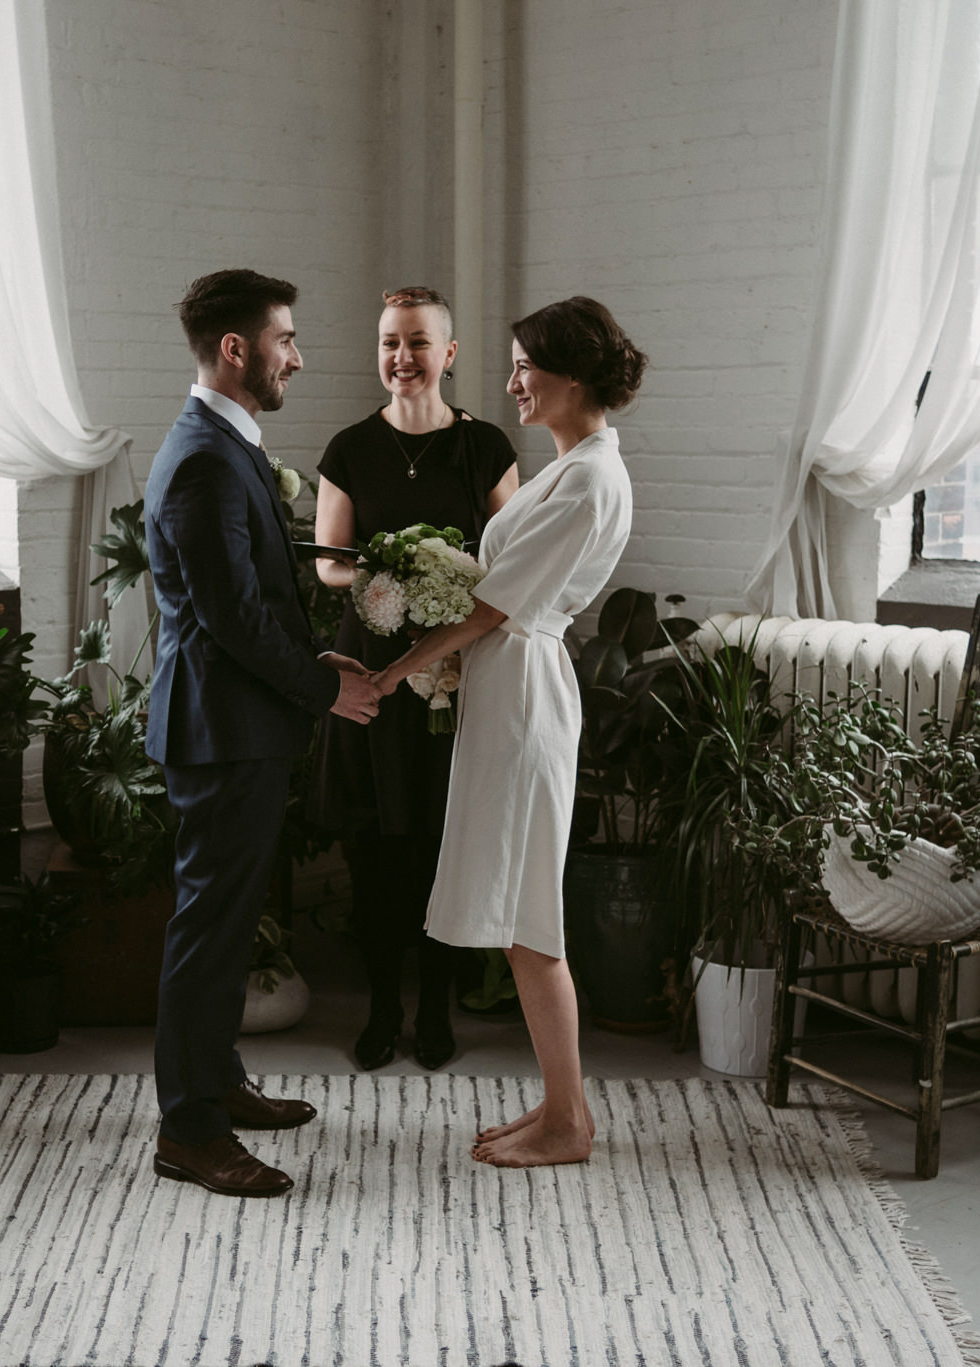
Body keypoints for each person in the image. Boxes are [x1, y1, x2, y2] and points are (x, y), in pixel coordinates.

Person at [370, 296, 645, 1169]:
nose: (512, 381)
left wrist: (389, 672)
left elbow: (493, 606)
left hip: (526, 689)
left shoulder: (593, 477)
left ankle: (568, 1121)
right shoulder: (576, 466)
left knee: (533, 918)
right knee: (526, 917)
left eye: (526, 365)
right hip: (511, 685)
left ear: (572, 376)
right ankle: (562, 1107)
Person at [143, 268, 382, 1199]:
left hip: (240, 726)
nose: (298, 355)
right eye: (285, 338)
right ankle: (188, 1130)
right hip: (220, 732)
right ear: (237, 349)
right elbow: (235, 619)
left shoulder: (222, 441)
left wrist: (316, 678)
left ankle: (217, 1080)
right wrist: (325, 689)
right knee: (207, 931)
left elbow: (248, 606)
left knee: (229, 921)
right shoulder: (204, 455)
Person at [309, 286, 520, 1072]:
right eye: (390, 343)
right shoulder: (348, 449)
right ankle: (381, 1009)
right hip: (371, 671)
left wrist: (452, 577)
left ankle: (435, 1010)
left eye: (418, 343)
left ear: (449, 354)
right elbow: (330, 563)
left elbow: (512, 560)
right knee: (375, 852)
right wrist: (385, 572)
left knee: (443, 847)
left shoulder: (487, 447)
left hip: (457, 675)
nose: (403, 358)